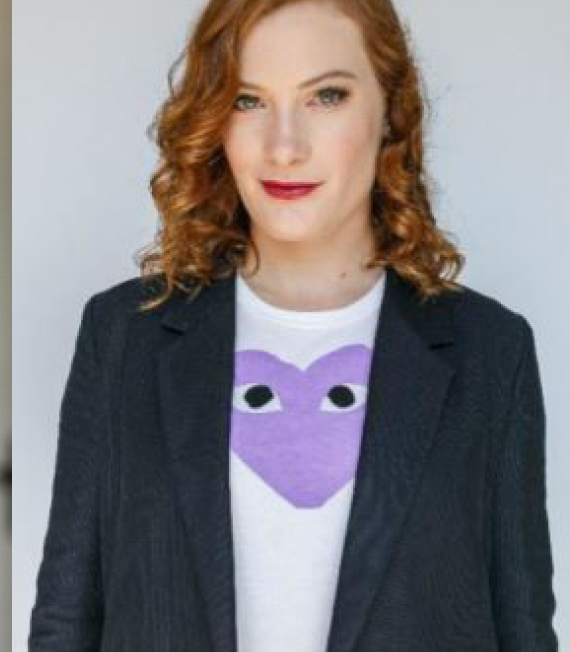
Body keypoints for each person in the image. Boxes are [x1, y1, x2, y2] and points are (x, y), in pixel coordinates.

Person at [29, 0, 557, 650]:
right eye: (248, 100)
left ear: (391, 110)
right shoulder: (121, 336)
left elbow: (524, 629)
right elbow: (65, 620)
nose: (284, 145)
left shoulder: (491, 351)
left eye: (326, 95)